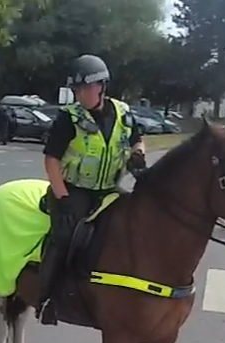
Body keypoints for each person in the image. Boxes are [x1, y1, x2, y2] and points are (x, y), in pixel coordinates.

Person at [39, 53, 145, 318]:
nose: (81, 94)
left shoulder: (123, 113)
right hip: (75, 191)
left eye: (86, 88)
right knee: (64, 238)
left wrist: (137, 154)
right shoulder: (69, 118)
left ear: (101, 87)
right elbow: (51, 159)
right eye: (77, 89)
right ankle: (47, 299)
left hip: (109, 189)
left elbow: (137, 140)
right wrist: (61, 198)